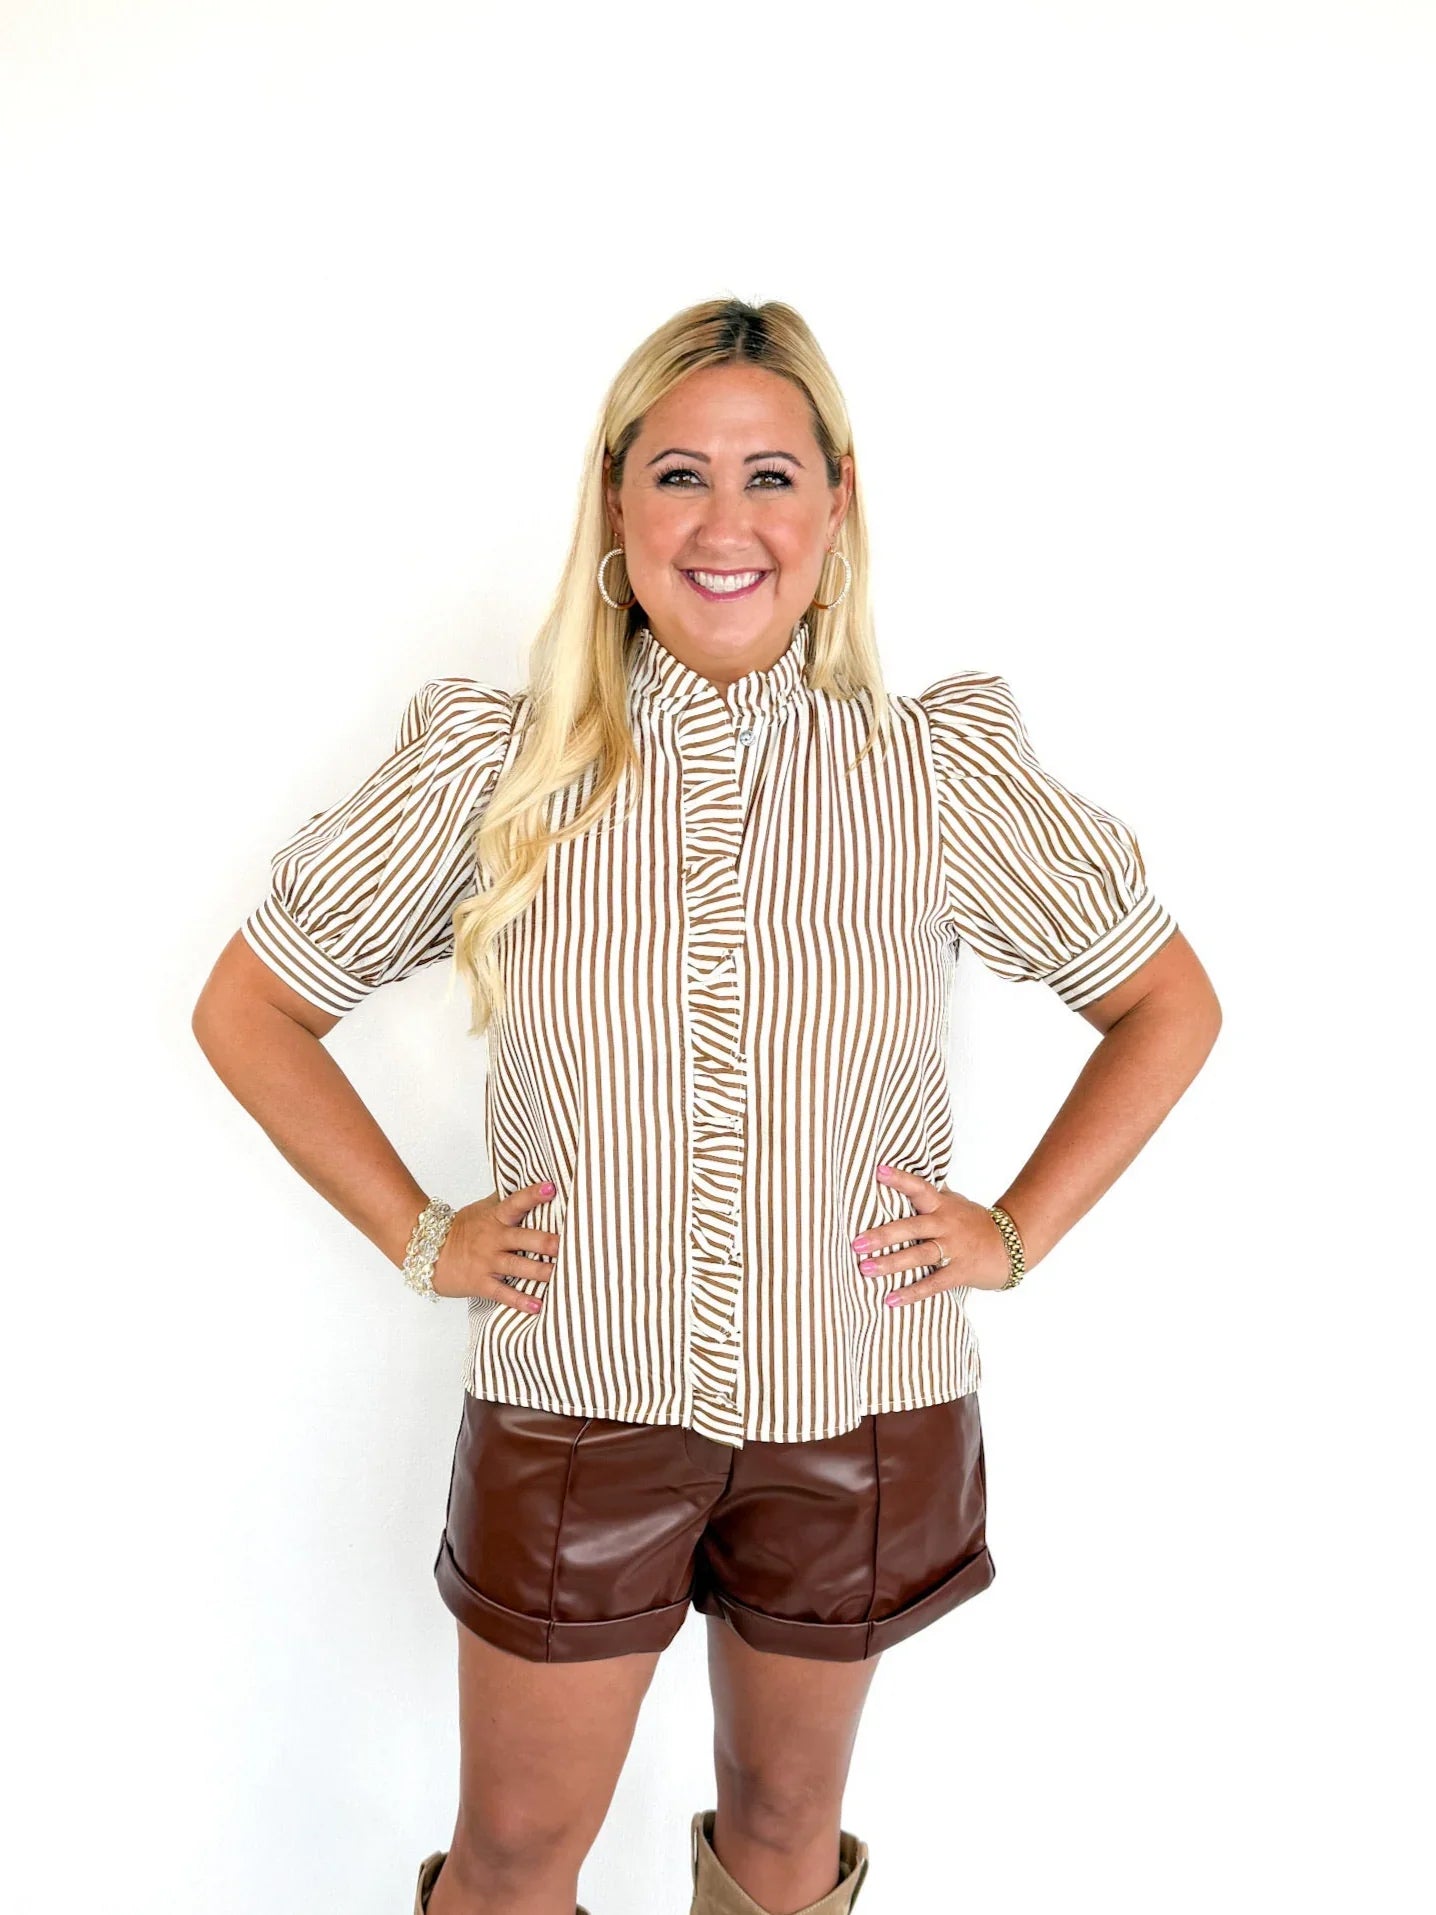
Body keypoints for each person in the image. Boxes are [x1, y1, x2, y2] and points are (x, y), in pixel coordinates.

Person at [193, 296, 1221, 1915]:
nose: (725, 524)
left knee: (784, 1838)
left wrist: (1015, 1234)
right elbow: (251, 1007)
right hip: (578, 1404)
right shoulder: (501, 771)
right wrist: (422, 1235)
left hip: (859, 1407)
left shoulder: (934, 775)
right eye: (679, 475)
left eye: (770, 476)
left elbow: (1166, 1002)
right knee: (514, 1856)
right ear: (615, 503)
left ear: (838, 502)